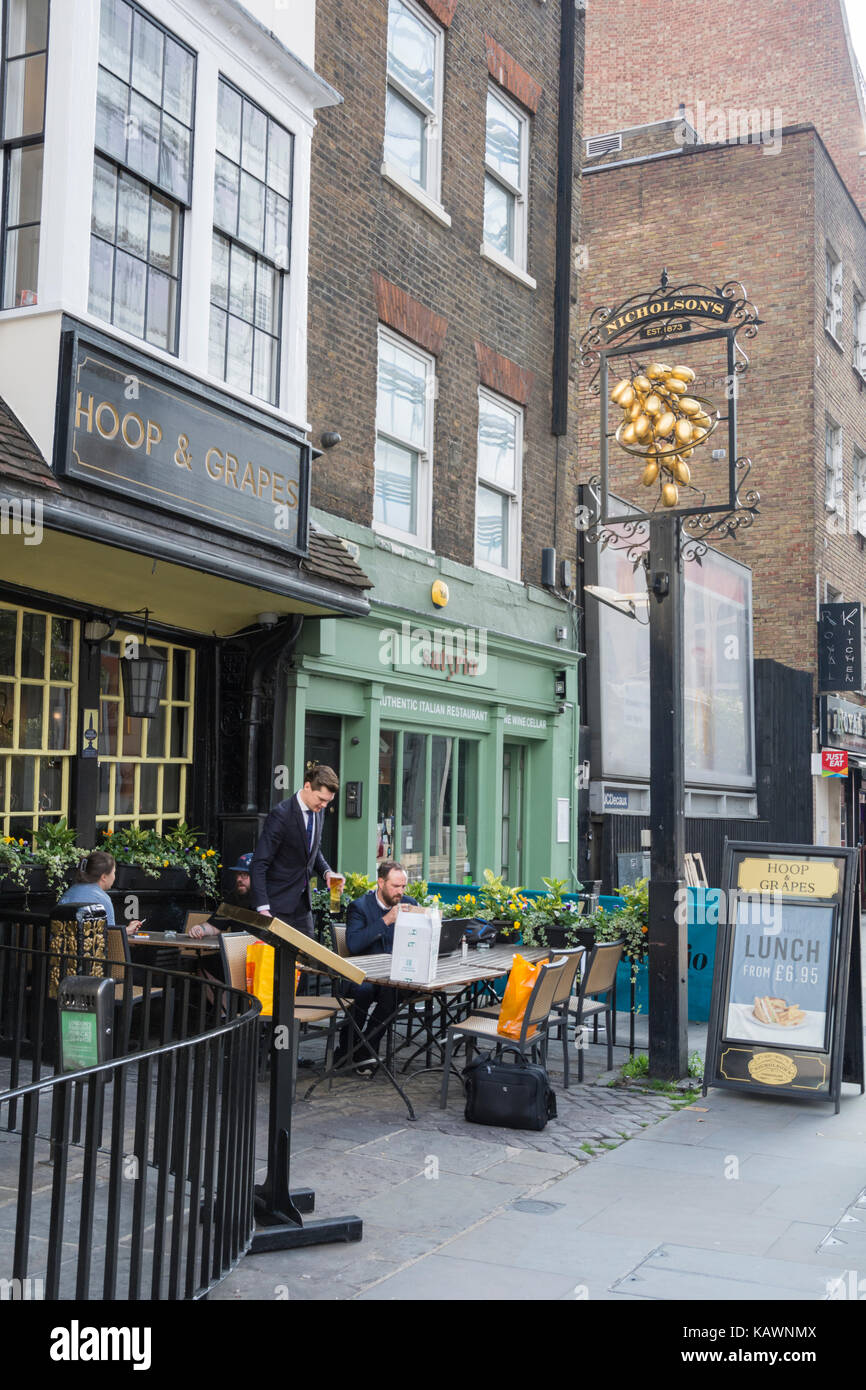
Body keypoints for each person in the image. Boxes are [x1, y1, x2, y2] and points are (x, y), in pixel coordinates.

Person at [336, 860, 416, 1073]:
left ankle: (364, 1051)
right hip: (364, 975)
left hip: (397, 975)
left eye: (403, 886)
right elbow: (353, 944)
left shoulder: (410, 904)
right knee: (364, 991)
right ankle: (344, 1051)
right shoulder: (360, 907)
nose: (400, 892)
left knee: (393, 992)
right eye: (395, 886)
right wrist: (386, 920)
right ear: (381, 883)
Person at [250, 765, 341, 939]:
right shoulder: (281, 815)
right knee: (274, 964)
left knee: (307, 960)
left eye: (328, 801)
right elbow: (259, 863)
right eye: (321, 799)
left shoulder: (318, 812)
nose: (324, 805)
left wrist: (327, 873)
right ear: (307, 786)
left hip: (302, 906)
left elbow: (312, 851)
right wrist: (263, 908)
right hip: (276, 905)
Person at [58, 851, 143, 934]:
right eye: (114, 872)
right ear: (104, 877)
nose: (114, 877)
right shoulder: (102, 900)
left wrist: (125, 931)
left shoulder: (69, 893)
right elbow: (111, 937)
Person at [187, 852, 253, 939]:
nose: (238, 879)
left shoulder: (269, 901)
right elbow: (214, 926)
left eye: (244, 875)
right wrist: (201, 929)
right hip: (237, 950)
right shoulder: (233, 897)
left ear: (257, 876)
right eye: (237, 874)